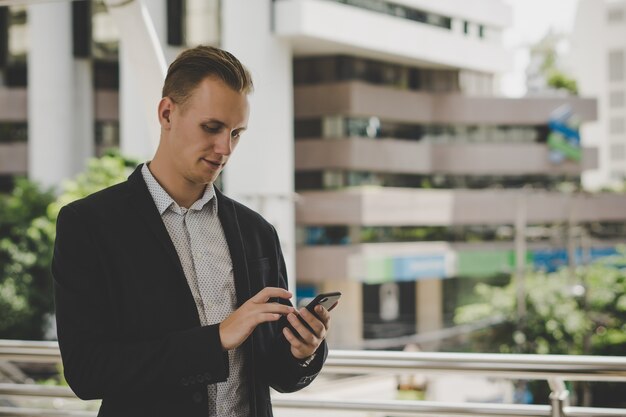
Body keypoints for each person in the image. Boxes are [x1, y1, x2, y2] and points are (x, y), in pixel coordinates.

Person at [52, 45, 332, 417]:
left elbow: (275, 374)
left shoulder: (257, 231)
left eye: (236, 133)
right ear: (167, 113)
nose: (224, 148)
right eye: (212, 128)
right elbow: (88, 373)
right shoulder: (89, 225)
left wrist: (302, 351)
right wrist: (216, 339)